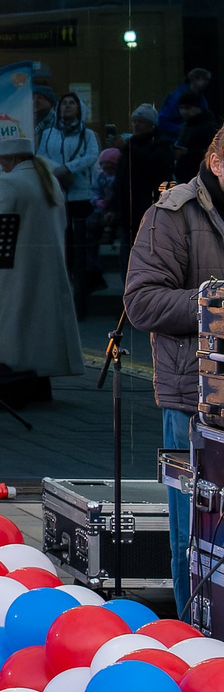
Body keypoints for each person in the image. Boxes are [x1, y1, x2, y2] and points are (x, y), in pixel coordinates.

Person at [124, 133, 224, 453]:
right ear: (217, 164)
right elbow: (141, 302)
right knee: (195, 501)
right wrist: (214, 303)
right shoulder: (173, 212)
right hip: (197, 399)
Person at [0, 139, 84, 378]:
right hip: (52, 260)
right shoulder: (49, 180)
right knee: (47, 316)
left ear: (11, 159)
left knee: (18, 313)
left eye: (1, 161)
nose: (0, 166)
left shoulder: (9, 182)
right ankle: (49, 367)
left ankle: (17, 365)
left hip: (19, 262)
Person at [36, 92, 100, 311]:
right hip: (57, 191)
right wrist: (59, 170)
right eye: (64, 103)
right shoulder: (47, 133)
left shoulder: (88, 134)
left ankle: (82, 291)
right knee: (62, 239)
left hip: (81, 193)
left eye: (72, 103)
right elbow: (40, 155)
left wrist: (71, 168)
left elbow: (92, 156)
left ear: (79, 108)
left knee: (79, 242)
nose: (68, 107)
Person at [117, 104, 178, 251]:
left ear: (151, 125)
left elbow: (154, 166)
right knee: (127, 249)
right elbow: (120, 179)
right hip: (127, 209)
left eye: (140, 122)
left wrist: (128, 149)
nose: (136, 125)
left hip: (149, 205)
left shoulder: (161, 144)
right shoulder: (130, 145)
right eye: (134, 121)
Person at [157, 67, 213, 142]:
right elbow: (163, 122)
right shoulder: (176, 98)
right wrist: (185, 131)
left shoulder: (202, 99)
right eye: (204, 79)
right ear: (193, 79)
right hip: (176, 141)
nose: (207, 82)